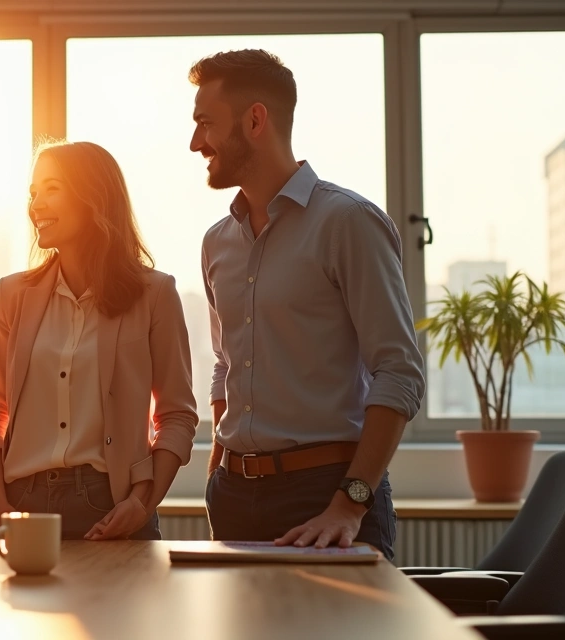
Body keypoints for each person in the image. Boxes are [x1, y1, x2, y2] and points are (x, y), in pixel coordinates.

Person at [190, 49, 425, 559]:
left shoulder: (349, 223)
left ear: (255, 119)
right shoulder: (216, 243)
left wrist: (351, 503)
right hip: (232, 497)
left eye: (206, 124)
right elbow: (226, 365)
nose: (195, 143)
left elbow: (399, 372)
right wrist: (216, 475)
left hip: (325, 495)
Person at [0, 141, 198, 541]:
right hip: (25, 503)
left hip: (112, 504)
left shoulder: (155, 294)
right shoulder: (12, 295)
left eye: (51, 189)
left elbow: (176, 416)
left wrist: (143, 503)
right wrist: (0, 507)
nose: (36, 204)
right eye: (33, 193)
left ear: (93, 197)